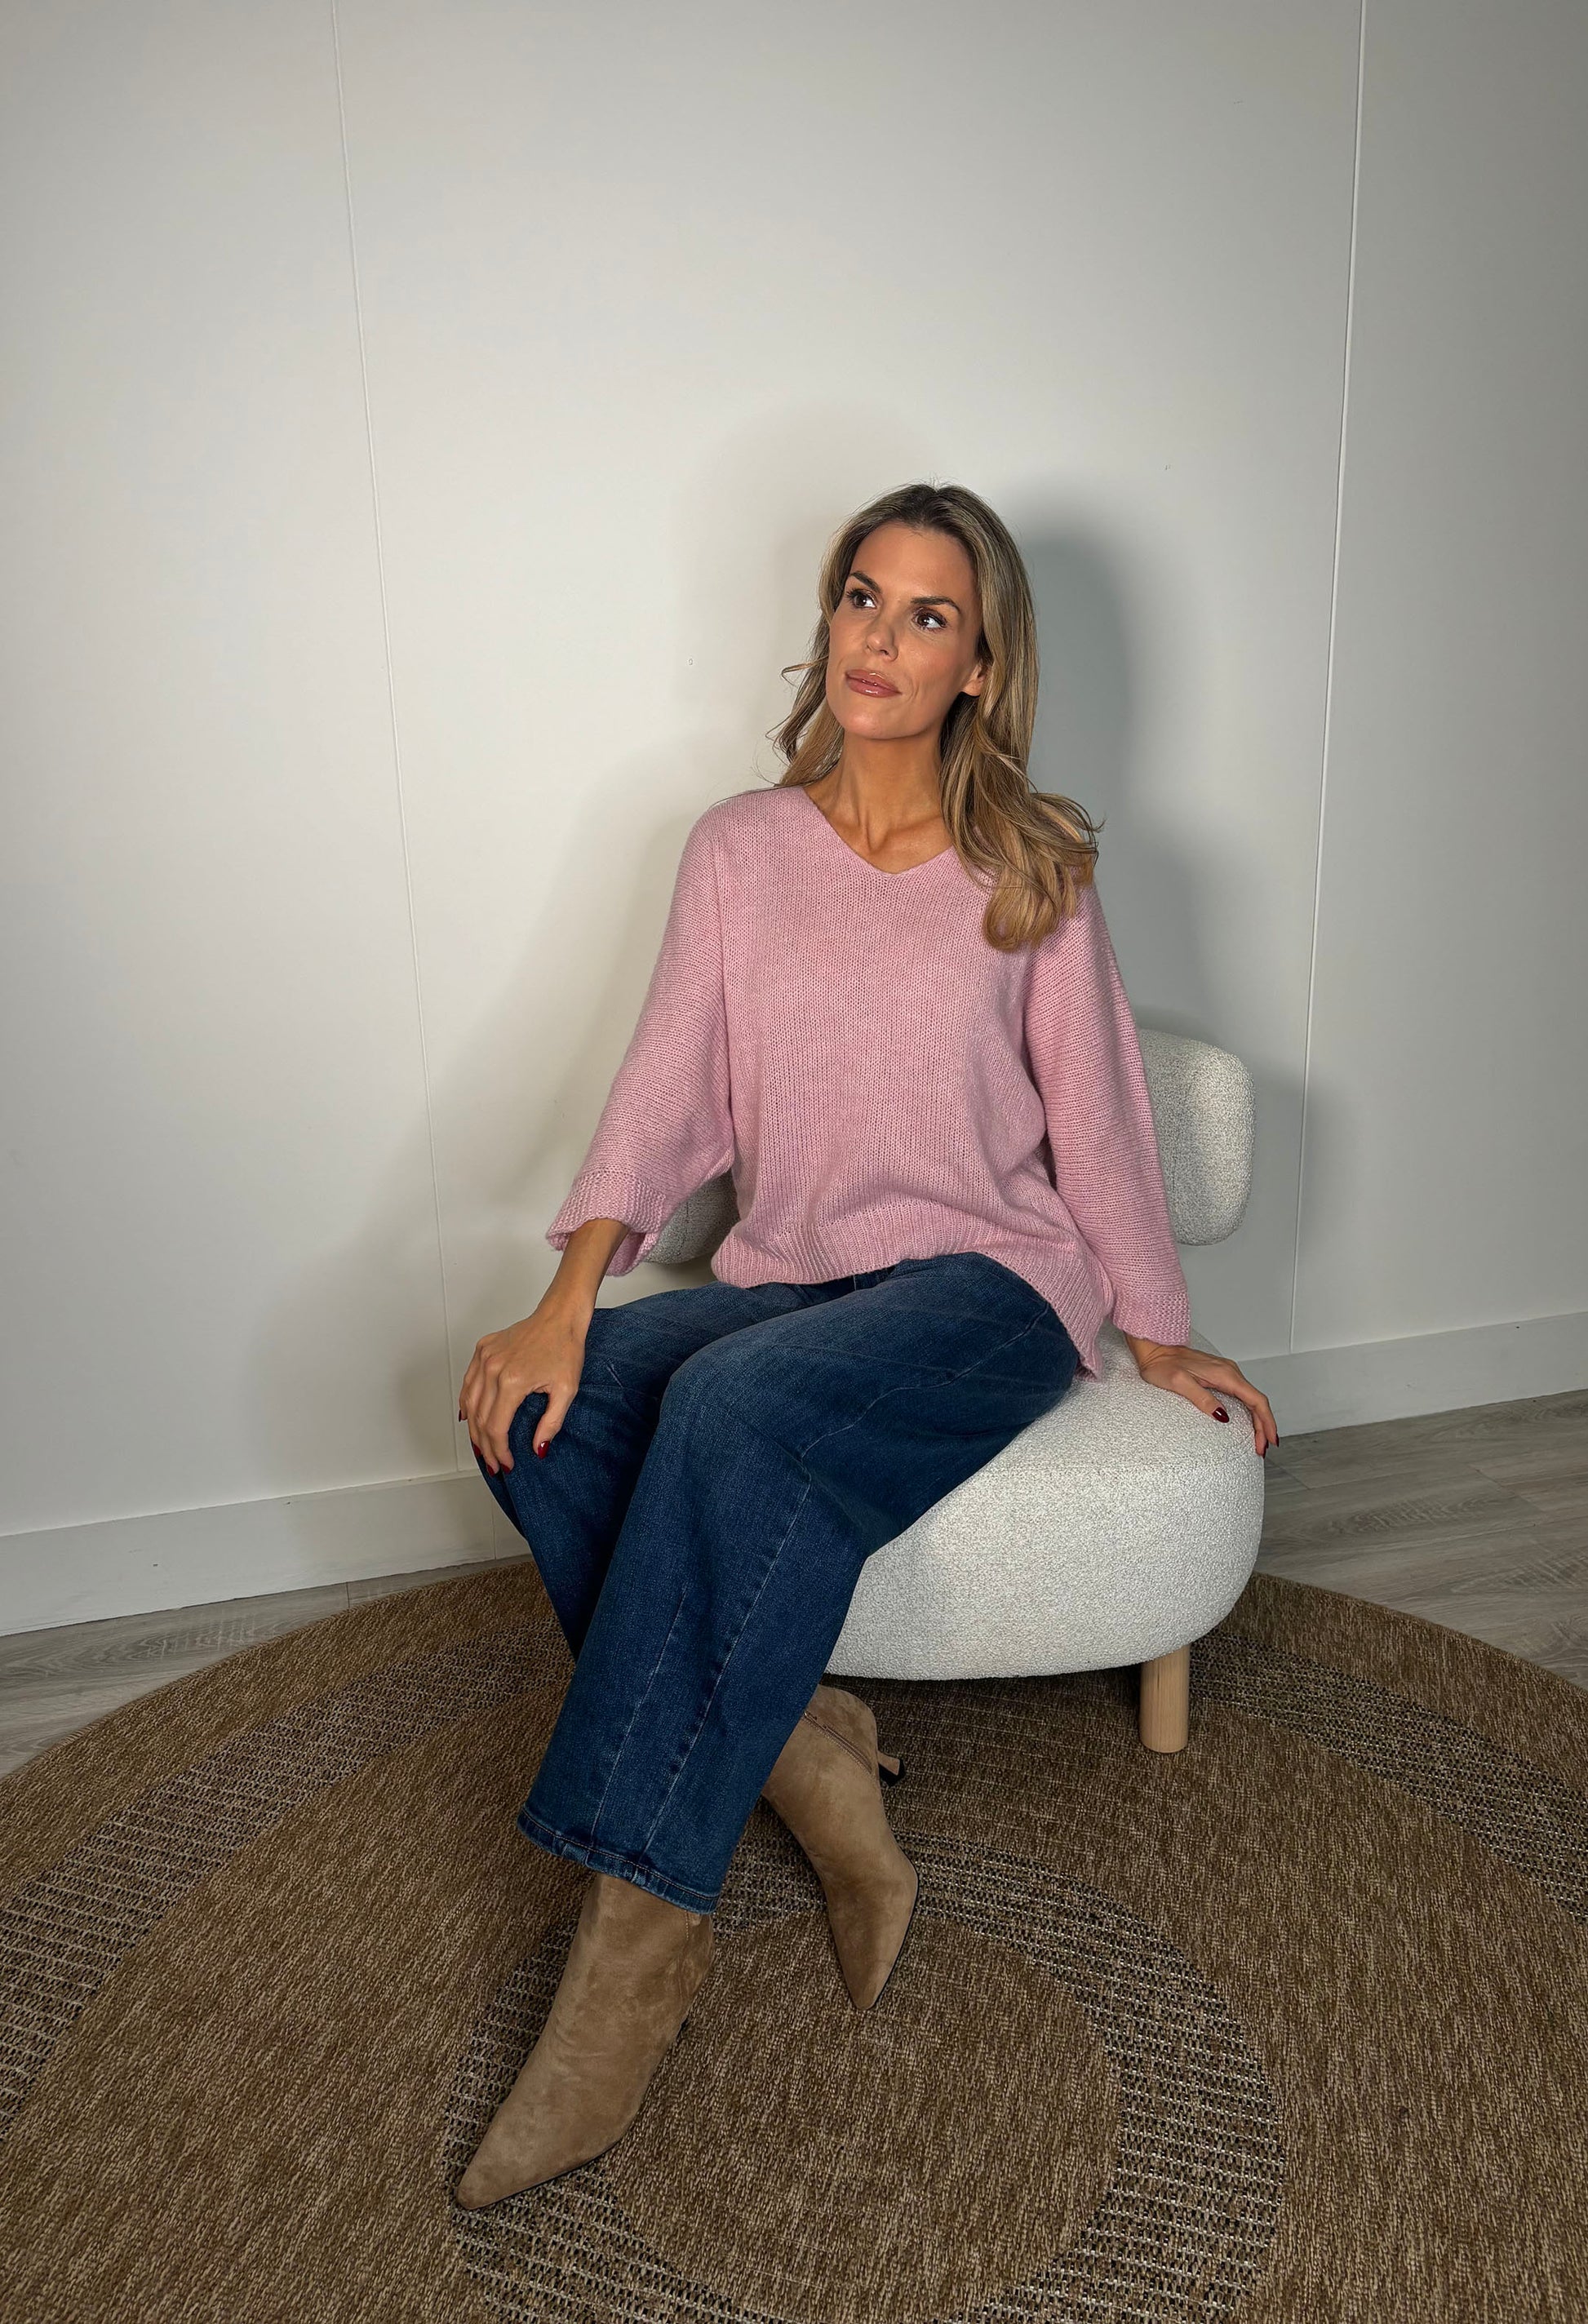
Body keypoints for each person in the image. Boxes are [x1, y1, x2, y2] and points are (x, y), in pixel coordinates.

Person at [451, 481, 1278, 2210]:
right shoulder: (738, 852)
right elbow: (667, 1086)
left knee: (731, 1413)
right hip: (801, 1277)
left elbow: (1100, 1118)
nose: (881, 640)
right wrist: (564, 1301)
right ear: (826, 620)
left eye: (927, 615)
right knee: (546, 1415)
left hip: (990, 1290)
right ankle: (809, 1754)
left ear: (980, 664)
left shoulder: (1032, 865)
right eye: (860, 597)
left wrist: (1155, 1332)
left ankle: (633, 1955)